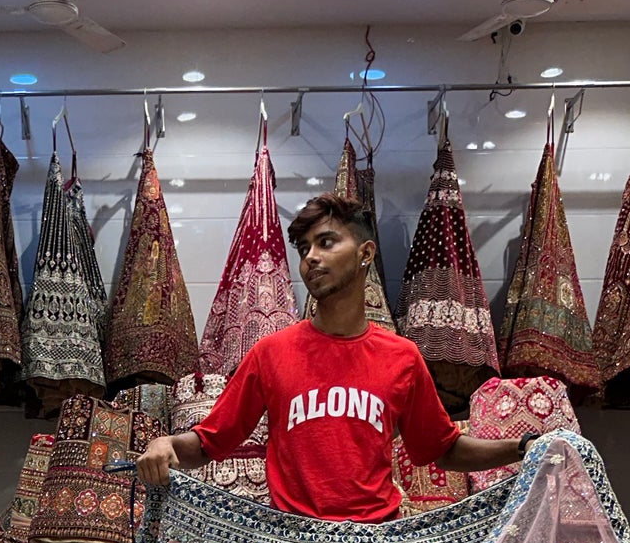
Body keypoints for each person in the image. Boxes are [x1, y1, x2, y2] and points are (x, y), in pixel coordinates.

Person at [136, 192, 530, 516]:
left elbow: (444, 449)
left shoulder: (403, 358)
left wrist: (525, 448)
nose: (310, 257)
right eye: (304, 248)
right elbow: (209, 443)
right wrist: (165, 444)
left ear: (365, 253)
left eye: (326, 242)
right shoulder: (270, 354)